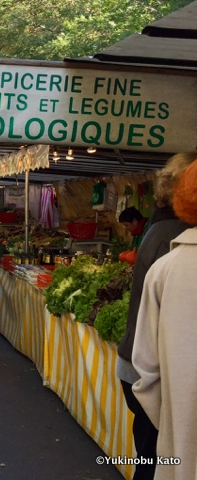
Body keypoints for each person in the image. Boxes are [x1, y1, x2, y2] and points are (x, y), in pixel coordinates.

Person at [116, 153, 195, 480]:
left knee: (149, 458)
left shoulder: (160, 228)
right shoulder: (174, 243)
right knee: (153, 458)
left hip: (136, 366)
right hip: (150, 379)